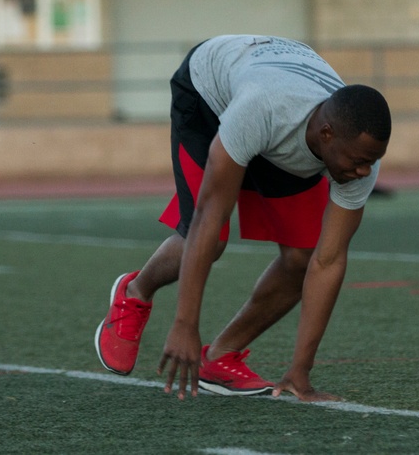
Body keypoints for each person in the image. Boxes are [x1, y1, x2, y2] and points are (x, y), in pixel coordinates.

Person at [95, 35, 391, 401]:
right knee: (209, 237)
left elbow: (328, 260)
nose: (365, 172)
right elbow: (209, 213)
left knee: (303, 256)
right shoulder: (262, 109)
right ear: (327, 134)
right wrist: (186, 324)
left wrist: (301, 371)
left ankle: (220, 357)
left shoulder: (357, 156)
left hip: (281, 112)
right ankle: (135, 291)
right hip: (206, 94)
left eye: (371, 162)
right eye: (358, 161)